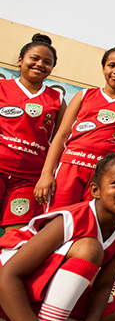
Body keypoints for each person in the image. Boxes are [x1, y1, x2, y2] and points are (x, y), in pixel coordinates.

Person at [0, 152, 115, 321]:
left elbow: (103, 286)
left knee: (113, 313)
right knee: (90, 249)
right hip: (8, 285)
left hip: (35, 291)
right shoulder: (71, 219)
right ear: (95, 190)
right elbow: (7, 276)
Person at [34, 47, 115, 209]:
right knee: (56, 221)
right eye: (111, 65)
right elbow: (61, 136)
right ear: (103, 68)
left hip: (106, 175)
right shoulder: (84, 95)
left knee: (91, 224)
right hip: (70, 167)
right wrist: (46, 173)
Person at [0, 35, 67, 231]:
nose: (40, 65)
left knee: (18, 238)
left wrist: (47, 175)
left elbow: (59, 140)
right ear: (21, 60)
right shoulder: (2, 88)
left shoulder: (57, 99)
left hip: (29, 179)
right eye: (34, 58)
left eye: (47, 62)